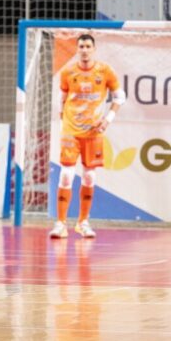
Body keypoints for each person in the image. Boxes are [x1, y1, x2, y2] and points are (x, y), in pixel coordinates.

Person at [50, 33, 125, 239]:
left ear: (94, 49)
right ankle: (60, 223)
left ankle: (83, 222)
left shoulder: (105, 71)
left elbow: (120, 96)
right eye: (81, 46)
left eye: (87, 46)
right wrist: (65, 122)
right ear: (77, 49)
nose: (84, 50)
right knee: (66, 174)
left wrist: (107, 119)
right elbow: (62, 99)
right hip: (71, 131)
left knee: (90, 176)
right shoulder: (68, 72)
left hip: (93, 132)